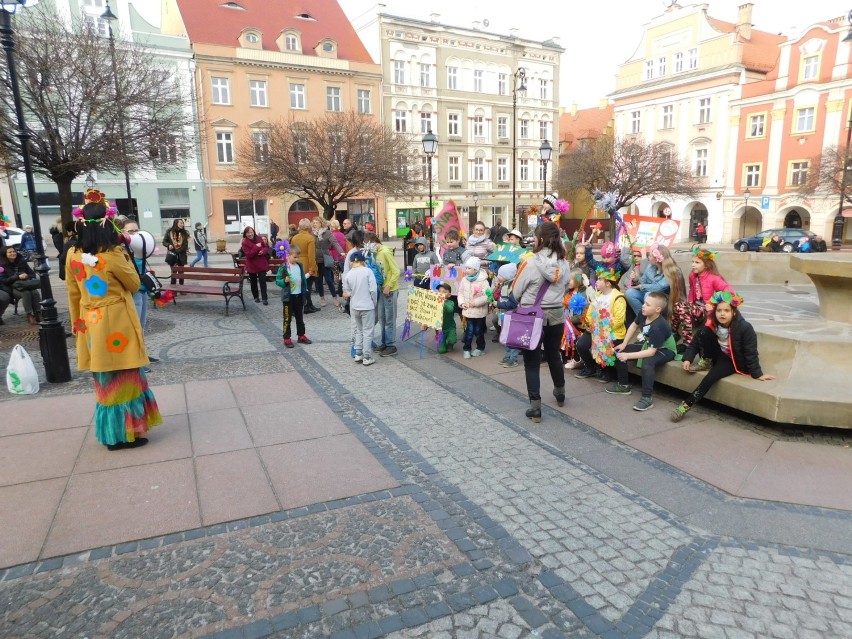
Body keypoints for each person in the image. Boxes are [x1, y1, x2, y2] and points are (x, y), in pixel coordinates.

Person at [66, 194, 161, 450]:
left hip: (90, 323)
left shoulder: (73, 254)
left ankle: (112, 432)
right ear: (109, 225)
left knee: (105, 380)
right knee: (127, 375)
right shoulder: (113, 253)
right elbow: (133, 283)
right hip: (117, 320)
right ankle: (127, 432)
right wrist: (125, 252)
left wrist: (78, 327)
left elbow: (73, 294)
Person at [672, 291, 775, 422]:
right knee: (703, 332)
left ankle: (686, 404)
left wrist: (757, 374)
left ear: (734, 312)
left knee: (710, 379)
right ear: (715, 312)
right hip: (716, 353)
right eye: (719, 310)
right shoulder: (711, 324)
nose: (722, 313)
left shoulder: (745, 328)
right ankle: (707, 361)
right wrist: (688, 358)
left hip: (731, 360)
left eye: (726, 310)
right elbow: (696, 341)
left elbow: (751, 352)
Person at [512, 221, 571, 422]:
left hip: (531, 316)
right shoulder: (564, 263)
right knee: (554, 354)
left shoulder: (529, 262)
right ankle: (560, 392)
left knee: (531, 361)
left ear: (540, 239)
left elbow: (515, 291)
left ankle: (535, 407)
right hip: (556, 314)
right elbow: (566, 286)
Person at [609, 291, 679, 411]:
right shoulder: (643, 314)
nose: (643, 306)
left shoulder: (659, 326)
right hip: (649, 345)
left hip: (665, 350)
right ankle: (623, 385)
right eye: (644, 303)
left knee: (648, 363)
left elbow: (651, 352)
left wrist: (628, 355)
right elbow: (633, 326)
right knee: (620, 350)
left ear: (657, 309)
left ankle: (647, 398)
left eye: (647, 304)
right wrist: (624, 344)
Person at [672, 246, 733, 351]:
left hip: (707, 310)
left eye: (697, 262)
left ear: (706, 265)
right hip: (697, 308)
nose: (693, 265)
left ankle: (687, 342)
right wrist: (690, 304)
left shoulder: (714, 278)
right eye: (693, 262)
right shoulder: (692, 276)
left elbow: (730, 293)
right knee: (678, 306)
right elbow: (692, 290)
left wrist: (714, 304)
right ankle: (674, 333)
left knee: (681, 307)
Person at [575, 265, 627, 383]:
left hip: (611, 331)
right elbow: (590, 312)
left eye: (599, 279)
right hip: (596, 329)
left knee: (605, 344)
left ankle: (608, 372)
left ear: (608, 283)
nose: (596, 281)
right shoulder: (597, 295)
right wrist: (589, 325)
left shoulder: (618, 297)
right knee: (581, 345)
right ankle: (590, 367)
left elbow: (619, 320)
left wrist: (603, 328)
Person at [364, 232, 400, 356]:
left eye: (370, 244)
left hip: (389, 290)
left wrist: (389, 285)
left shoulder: (385, 252)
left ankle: (391, 344)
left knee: (389, 318)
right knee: (382, 318)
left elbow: (396, 271)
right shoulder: (374, 254)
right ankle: (384, 342)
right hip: (381, 289)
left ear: (375, 241)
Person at [343, 250, 377, 366]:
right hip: (367, 305)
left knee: (359, 330)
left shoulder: (349, 274)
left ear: (352, 262)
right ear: (363, 261)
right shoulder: (368, 272)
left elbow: (348, 291)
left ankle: (358, 353)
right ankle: (367, 356)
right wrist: (374, 302)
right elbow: (373, 290)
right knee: (368, 331)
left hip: (355, 306)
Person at [275, 245, 312, 348]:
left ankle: (301, 335)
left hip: (299, 295)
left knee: (300, 318)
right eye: (295, 257)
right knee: (287, 318)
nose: (297, 259)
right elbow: (278, 281)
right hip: (288, 297)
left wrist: (305, 290)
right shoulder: (284, 267)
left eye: (298, 257)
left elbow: (302, 279)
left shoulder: (299, 266)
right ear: (288, 255)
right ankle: (286, 337)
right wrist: (284, 281)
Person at [625, 243, 670, 320]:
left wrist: (642, 286)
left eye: (650, 256)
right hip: (647, 293)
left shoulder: (670, 270)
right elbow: (643, 281)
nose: (648, 257)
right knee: (629, 293)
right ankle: (643, 319)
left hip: (663, 297)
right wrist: (636, 279)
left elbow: (659, 287)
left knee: (649, 296)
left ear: (657, 259)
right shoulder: (650, 266)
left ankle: (653, 320)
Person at [457, 257, 490, 359]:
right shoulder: (464, 280)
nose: (466, 270)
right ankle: (467, 349)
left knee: (478, 331)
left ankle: (480, 348)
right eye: (466, 268)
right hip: (468, 311)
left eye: (469, 268)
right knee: (469, 331)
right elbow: (460, 292)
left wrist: (475, 302)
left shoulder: (483, 281)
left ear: (475, 269)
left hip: (479, 311)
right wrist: (462, 303)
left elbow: (488, 296)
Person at [0, 246, 42, 325]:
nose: (13, 253)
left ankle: (38, 314)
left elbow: (32, 274)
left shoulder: (21, 261)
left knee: (34, 292)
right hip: (11, 287)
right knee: (26, 293)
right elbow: (3, 281)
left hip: (26, 284)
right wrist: (17, 276)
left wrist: (26, 276)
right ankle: (29, 315)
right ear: (5, 254)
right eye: (10, 252)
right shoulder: (2, 265)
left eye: (14, 251)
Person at [311, 217, 343, 309]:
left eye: (317, 222)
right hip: (316, 260)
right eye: (314, 223)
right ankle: (322, 298)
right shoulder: (312, 234)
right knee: (319, 280)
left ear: (321, 223)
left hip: (325, 258)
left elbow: (335, 243)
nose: (315, 224)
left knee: (329, 279)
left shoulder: (327, 233)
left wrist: (341, 252)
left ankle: (335, 297)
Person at [290, 218, 319, 313]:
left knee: (302, 286)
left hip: (297, 262)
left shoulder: (294, 238)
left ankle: (309, 304)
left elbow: (291, 251)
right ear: (308, 227)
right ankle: (306, 306)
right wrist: (313, 268)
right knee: (308, 287)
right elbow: (311, 255)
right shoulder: (310, 238)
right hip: (307, 263)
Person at [493, 262, 519, 367]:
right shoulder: (504, 284)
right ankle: (508, 355)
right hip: (504, 316)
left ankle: (513, 358)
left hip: (512, 315)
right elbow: (496, 295)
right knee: (506, 337)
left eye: (501, 275)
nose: (498, 277)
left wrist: (498, 304)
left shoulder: (512, 287)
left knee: (512, 338)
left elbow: (512, 304)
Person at [241, 226, 270, 305]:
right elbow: (249, 255)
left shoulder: (259, 238)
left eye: (251, 232)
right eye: (248, 233)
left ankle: (264, 298)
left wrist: (262, 251)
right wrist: (256, 247)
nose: (250, 234)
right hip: (252, 264)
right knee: (253, 282)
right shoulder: (244, 242)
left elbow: (266, 247)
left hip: (261, 263)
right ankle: (256, 297)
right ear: (245, 234)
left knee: (262, 281)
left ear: (253, 232)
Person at [163, 219, 189, 285]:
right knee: (174, 273)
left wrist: (177, 251)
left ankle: (181, 288)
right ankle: (173, 290)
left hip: (181, 256)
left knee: (181, 273)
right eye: (181, 223)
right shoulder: (169, 232)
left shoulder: (184, 233)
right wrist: (168, 245)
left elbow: (185, 245)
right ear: (176, 223)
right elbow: (164, 242)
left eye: (183, 223)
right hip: (172, 256)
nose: (182, 224)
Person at [328, 219, 348, 302]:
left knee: (336, 276)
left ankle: (339, 290)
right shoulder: (342, 234)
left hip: (334, 257)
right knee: (343, 274)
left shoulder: (331, 235)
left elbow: (329, 246)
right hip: (342, 257)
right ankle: (342, 289)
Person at [436, 282, 457, 354]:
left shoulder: (450, 302)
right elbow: (430, 315)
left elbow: (450, 310)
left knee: (452, 339)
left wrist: (443, 302)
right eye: (439, 291)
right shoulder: (434, 303)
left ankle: (450, 344)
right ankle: (443, 343)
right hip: (440, 329)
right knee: (441, 350)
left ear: (449, 295)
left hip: (450, 327)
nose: (441, 293)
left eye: (444, 292)